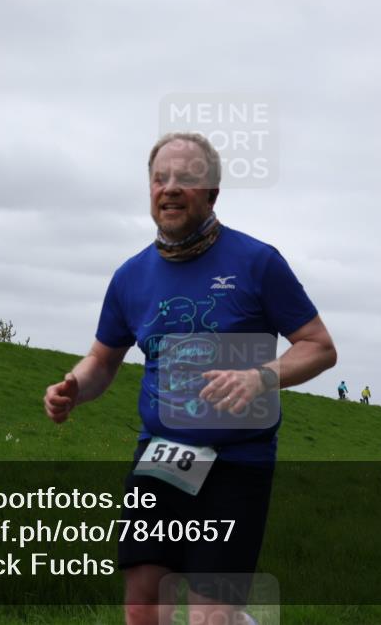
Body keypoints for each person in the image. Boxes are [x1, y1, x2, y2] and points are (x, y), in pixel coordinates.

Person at [43, 132, 337, 625]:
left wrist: (261, 377)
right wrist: (73, 387)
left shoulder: (257, 262)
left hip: (238, 460)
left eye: (186, 178)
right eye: (160, 178)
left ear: (213, 193)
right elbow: (102, 360)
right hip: (163, 454)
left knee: (210, 614)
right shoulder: (130, 277)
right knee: (141, 601)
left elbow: (319, 347)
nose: (171, 187)